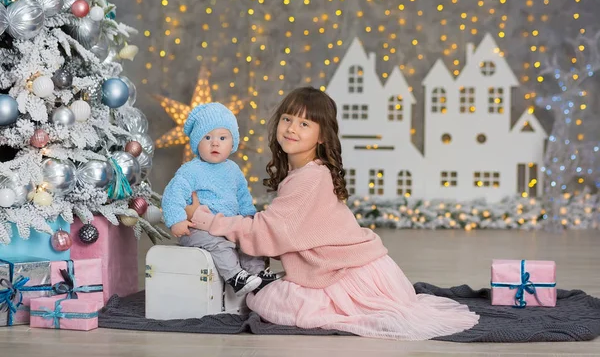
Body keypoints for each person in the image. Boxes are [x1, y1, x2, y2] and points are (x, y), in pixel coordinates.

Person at [183, 87, 479, 339]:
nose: (291, 129)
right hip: (364, 267)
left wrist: (207, 219)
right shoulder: (307, 172)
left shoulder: (310, 178)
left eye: (304, 124)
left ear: (322, 136)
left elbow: (267, 231)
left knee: (264, 300)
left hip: (348, 274)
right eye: (287, 119)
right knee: (267, 291)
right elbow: (279, 226)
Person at [162, 102, 276, 296]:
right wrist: (176, 220)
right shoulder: (191, 170)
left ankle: (257, 273)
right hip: (199, 231)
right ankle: (235, 277)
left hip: (227, 226)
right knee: (218, 245)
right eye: (207, 137)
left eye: (222, 138)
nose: (215, 143)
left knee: (248, 241)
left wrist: (248, 216)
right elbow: (173, 194)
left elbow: (242, 196)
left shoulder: (233, 170)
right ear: (197, 143)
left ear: (232, 143)